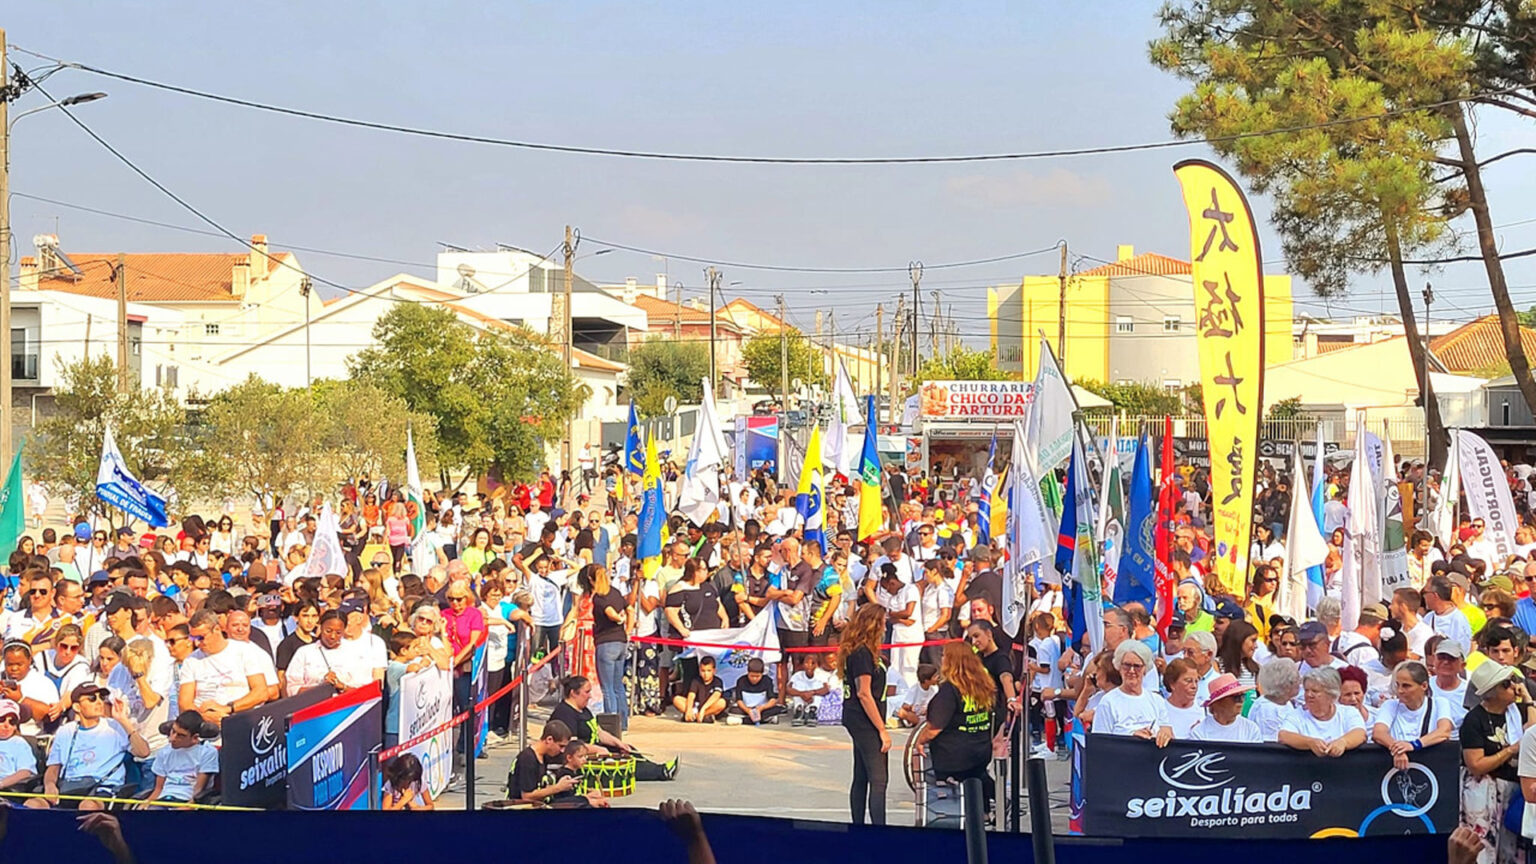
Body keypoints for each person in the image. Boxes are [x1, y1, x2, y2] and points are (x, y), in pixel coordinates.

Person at [26, 683, 149, 809]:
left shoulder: (116, 727)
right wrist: (50, 785)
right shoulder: (65, 730)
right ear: (77, 707)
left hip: (103, 788)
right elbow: (53, 767)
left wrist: (123, 720)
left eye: (101, 697)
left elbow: (144, 752)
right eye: (92, 699)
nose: (99, 702)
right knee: (32, 804)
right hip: (69, 787)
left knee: (87, 806)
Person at [913, 641, 996, 805]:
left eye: (944, 656)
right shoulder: (984, 684)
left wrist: (920, 741)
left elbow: (934, 727)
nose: (941, 659)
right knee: (978, 777)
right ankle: (989, 809)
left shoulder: (950, 689)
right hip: (980, 749)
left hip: (954, 754)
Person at [1460, 660, 1527, 862]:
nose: (1514, 687)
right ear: (1492, 692)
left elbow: (1532, 737)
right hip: (1483, 790)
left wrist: (1529, 701)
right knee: (1483, 849)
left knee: (1511, 850)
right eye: (1507, 684)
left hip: (1513, 789)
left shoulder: (1518, 712)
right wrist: (1511, 751)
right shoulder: (1474, 720)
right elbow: (1476, 765)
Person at [838, 603, 889, 826]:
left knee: (861, 774)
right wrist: (881, 729)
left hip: (858, 717)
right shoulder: (862, 653)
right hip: (864, 719)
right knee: (879, 779)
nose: (886, 627)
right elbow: (864, 693)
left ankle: (858, 824)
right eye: (883, 623)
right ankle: (879, 829)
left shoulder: (862, 650)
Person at [1371, 660, 1455, 771]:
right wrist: (1398, 749)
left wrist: (1414, 745)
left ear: (1424, 686)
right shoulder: (1390, 705)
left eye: (1406, 686)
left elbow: (1444, 731)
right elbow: (1378, 733)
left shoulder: (1439, 703)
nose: (1400, 691)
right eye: (1398, 685)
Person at [1090, 640, 1173, 746]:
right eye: (1127, 665)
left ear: (1145, 669)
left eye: (1137, 666)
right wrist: (1131, 737)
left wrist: (1165, 733)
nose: (1132, 671)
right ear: (1119, 667)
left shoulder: (1157, 700)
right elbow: (1099, 743)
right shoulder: (1108, 702)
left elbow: (1167, 729)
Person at [1277, 667, 1367, 757]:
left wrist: (1343, 742)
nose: (1309, 695)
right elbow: (1284, 735)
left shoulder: (1348, 712)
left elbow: (1360, 733)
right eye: (1306, 690)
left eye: (1315, 691)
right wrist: (1309, 743)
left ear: (1331, 694)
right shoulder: (1296, 715)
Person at [284, 610, 374, 696]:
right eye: (328, 631)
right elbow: (292, 689)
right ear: (321, 627)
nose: (333, 636)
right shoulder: (305, 652)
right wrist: (321, 687)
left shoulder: (355, 653)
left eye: (338, 632)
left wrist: (342, 687)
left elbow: (364, 691)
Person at [586, 564, 630, 732]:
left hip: (606, 643)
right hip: (621, 641)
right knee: (618, 685)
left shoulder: (599, 597)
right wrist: (628, 628)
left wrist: (618, 619)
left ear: (591, 580)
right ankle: (623, 722)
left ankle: (611, 725)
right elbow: (630, 608)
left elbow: (610, 612)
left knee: (607, 688)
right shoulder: (616, 592)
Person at [143, 710, 219, 807]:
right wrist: (145, 804)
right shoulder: (164, 752)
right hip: (163, 800)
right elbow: (158, 789)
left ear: (195, 738)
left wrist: (186, 807)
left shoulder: (207, 752)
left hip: (188, 801)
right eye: (173, 731)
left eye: (180, 735)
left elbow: (199, 791)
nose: (173, 738)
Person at [509, 719, 576, 804]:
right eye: (561, 746)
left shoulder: (544, 755)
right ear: (549, 739)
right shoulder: (527, 759)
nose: (562, 751)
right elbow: (527, 796)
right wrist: (558, 787)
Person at [1190, 673, 1262, 742]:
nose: (1241, 701)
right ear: (1218, 703)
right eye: (1235, 697)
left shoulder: (1251, 729)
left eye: (1242, 696)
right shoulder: (1199, 732)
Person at [1250, 659, 1299, 742]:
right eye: (1296, 680)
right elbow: (1270, 742)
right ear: (1286, 685)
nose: (1299, 683)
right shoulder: (1266, 708)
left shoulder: (1285, 703)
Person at [673, 655, 728, 723]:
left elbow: (716, 695)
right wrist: (689, 710)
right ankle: (693, 716)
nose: (705, 674)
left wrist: (703, 710)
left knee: (722, 703)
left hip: (708, 707)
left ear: (714, 671)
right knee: (677, 699)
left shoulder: (718, 681)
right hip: (695, 707)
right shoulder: (696, 680)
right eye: (703, 671)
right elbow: (691, 695)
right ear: (699, 670)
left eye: (708, 671)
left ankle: (702, 715)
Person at [729, 658, 784, 725]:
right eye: (752, 676)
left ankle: (743, 721)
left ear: (762, 673)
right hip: (747, 709)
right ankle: (766, 719)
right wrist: (748, 710)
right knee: (733, 710)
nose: (754, 679)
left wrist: (762, 708)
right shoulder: (741, 681)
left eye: (757, 676)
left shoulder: (767, 681)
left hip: (762, 709)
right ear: (748, 672)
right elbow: (739, 700)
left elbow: (772, 700)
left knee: (779, 709)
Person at [787, 652, 834, 726]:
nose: (809, 666)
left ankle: (812, 712)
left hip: (813, 698)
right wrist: (802, 694)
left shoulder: (821, 675)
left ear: (817, 665)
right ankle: (799, 711)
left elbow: (826, 689)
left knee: (819, 688)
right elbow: (788, 689)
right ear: (802, 665)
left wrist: (812, 693)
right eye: (806, 663)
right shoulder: (797, 675)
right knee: (797, 685)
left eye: (813, 663)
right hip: (802, 698)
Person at [1161, 658, 1203, 738]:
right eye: (1188, 681)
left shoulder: (1203, 710)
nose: (1194, 686)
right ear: (1172, 684)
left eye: (1196, 681)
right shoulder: (1160, 709)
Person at [0, 698, 36, 791]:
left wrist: (2, 784)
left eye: (12, 722)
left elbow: (25, 772)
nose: (6, 725)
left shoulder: (18, 743)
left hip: (8, 790)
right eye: (2, 719)